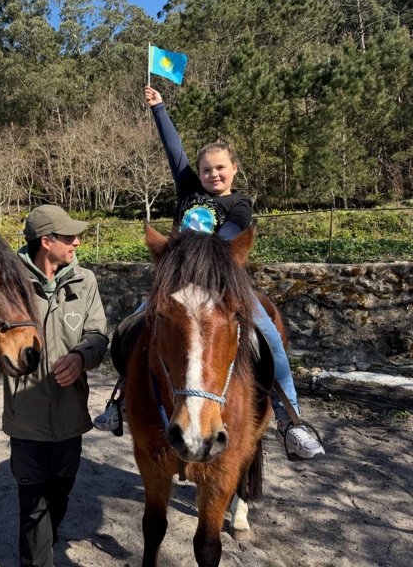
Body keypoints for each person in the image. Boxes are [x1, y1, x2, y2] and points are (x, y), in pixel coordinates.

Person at [94, 86, 325, 460]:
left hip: (222, 284)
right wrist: (159, 109)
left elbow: (230, 238)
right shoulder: (188, 189)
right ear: (197, 174)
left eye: (220, 167)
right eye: (206, 169)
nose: (213, 173)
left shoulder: (238, 204)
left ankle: (289, 419)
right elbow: (174, 150)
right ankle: (120, 399)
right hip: (180, 283)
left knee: (268, 334)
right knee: (134, 327)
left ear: (233, 169)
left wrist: (200, 251)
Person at [0, 205, 109, 567]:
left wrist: (81, 357)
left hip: (71, 413)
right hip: (25, 419)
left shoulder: (86, 282)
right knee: (33, 506)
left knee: (60, 494)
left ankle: (45, 540)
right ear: (46, 242)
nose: (77, 241)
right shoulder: (8, 282)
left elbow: (97, 335)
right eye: (69, 236)